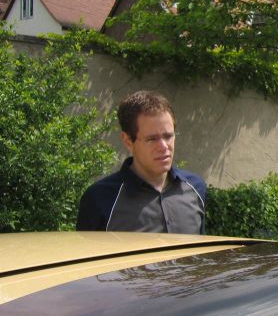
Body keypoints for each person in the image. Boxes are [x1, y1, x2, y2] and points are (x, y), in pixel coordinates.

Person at [77, 90, 207, 233]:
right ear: (128, 141)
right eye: (152, 139)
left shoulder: (196, 188)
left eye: (168, 136)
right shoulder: (100, 198)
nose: (164, 147)